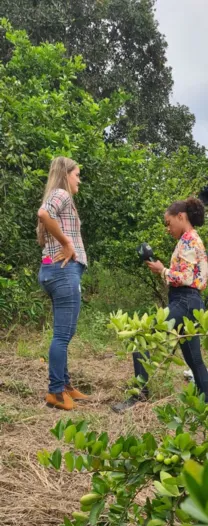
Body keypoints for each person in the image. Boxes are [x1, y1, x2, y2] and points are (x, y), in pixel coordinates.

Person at [112, 197, 208, 413]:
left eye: (168, 223)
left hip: (184, 300)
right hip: (193, 303)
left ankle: (139, 395)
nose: (168, 228)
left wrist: (162, 270)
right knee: (195, 360)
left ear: (181, 217)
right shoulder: (192, 240)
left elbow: (184, 277)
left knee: (142, 336)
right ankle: (206, 408)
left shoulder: (188, 241)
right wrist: (164, 271)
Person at [37, 156, 90, 410]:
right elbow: (44, 214)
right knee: (62, 335)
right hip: (63, 271)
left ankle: (65, 385)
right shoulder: (62, 194)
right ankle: (55, 393)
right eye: (76, 174)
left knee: (65, 333)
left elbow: (47, 219)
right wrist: (68, 244)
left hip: (53, 270)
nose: (79, 179)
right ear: (66, 174)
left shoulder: (58, 196)